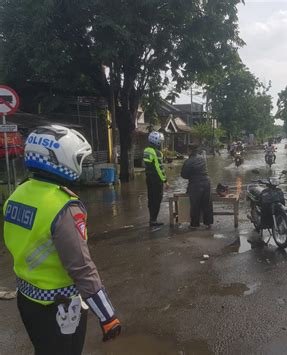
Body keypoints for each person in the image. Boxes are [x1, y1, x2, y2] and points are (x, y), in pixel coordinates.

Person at [3, 125, 121, 355]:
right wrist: (108, 315)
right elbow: (81, 268)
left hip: (26, 299)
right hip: (59, 307)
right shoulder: (64, 206)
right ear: (63, 159)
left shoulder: (18, 194)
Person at [181, 144, 214, 229]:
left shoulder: (188, 161)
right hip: (207, 183)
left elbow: (183, 175)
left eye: (187, 150)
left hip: (195, 184)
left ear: (190, 151)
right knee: (207, 203)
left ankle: (194, 225)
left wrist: (191, 175)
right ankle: (208, 223)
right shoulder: (202, 159)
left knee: (195, 204)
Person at [143, 131, 169, 228]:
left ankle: (151, 218)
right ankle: (153, 220)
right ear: (157, 141)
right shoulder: (157, 153)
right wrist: (165, 181)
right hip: (156, 180)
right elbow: (159, 168)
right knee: (157, 199)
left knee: (151, 198)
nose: (161, 143)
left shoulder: (146, 150)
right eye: (160, 141)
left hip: (148, 178)